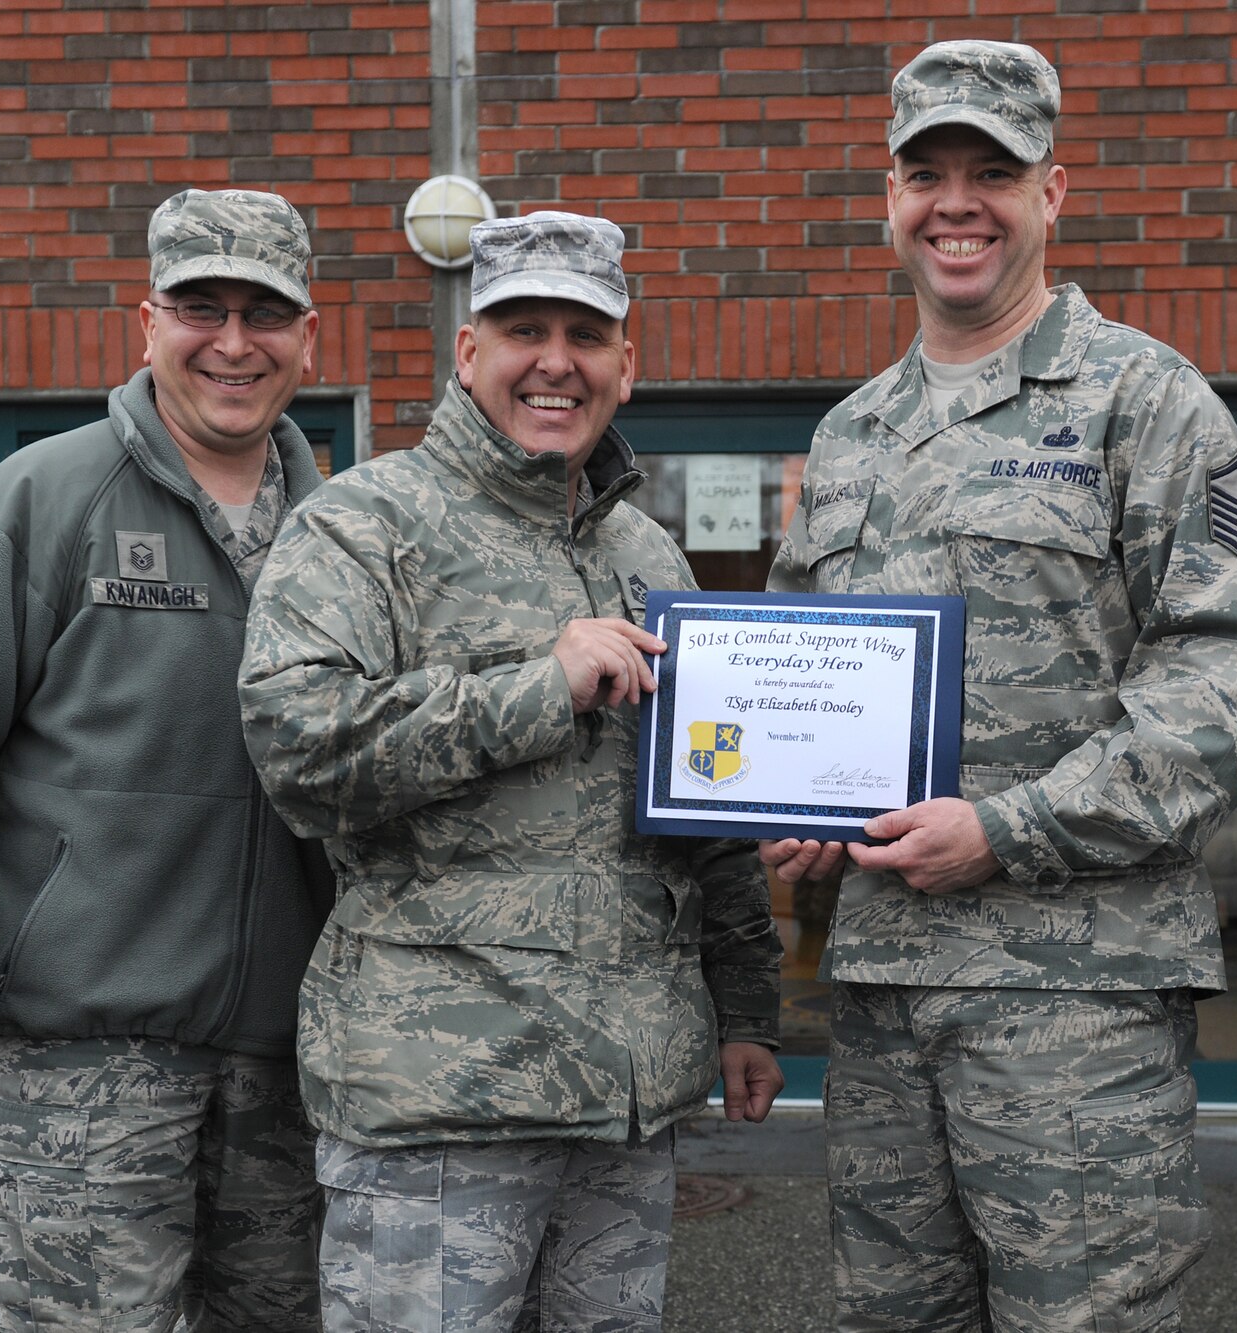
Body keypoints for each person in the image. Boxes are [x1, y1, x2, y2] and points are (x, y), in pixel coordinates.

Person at [760, 40, 1237, 1332]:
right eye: (926, 174)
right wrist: (786, 801)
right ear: (889, 199)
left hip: (1074, 1001)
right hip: (882, 993)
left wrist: (1012, 828)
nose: (957, 204)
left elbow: (1226, 682)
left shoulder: (1145, 403)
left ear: (1051, 193)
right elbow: (791, 656)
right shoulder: (851, 434)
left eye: (991, 173)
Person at [238, 210, 785, 1333]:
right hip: (441, 1100)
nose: (555, 361)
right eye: (524, 330)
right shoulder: (364, 524)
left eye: (586, 335)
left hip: (626, 1100)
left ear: (625, 364)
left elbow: (707, 803)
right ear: (467, 351)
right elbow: (298, 751)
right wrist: (538, 688)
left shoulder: (647, 553)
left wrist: (746, 1005)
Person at [0, 188, 336, 1332]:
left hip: (295, 1064)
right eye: (201, 308)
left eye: (264, 313)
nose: (233, 342)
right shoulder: (42, 500)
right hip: (86, 1061)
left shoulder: (347, 530)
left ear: (308, 338)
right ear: (147, 323)